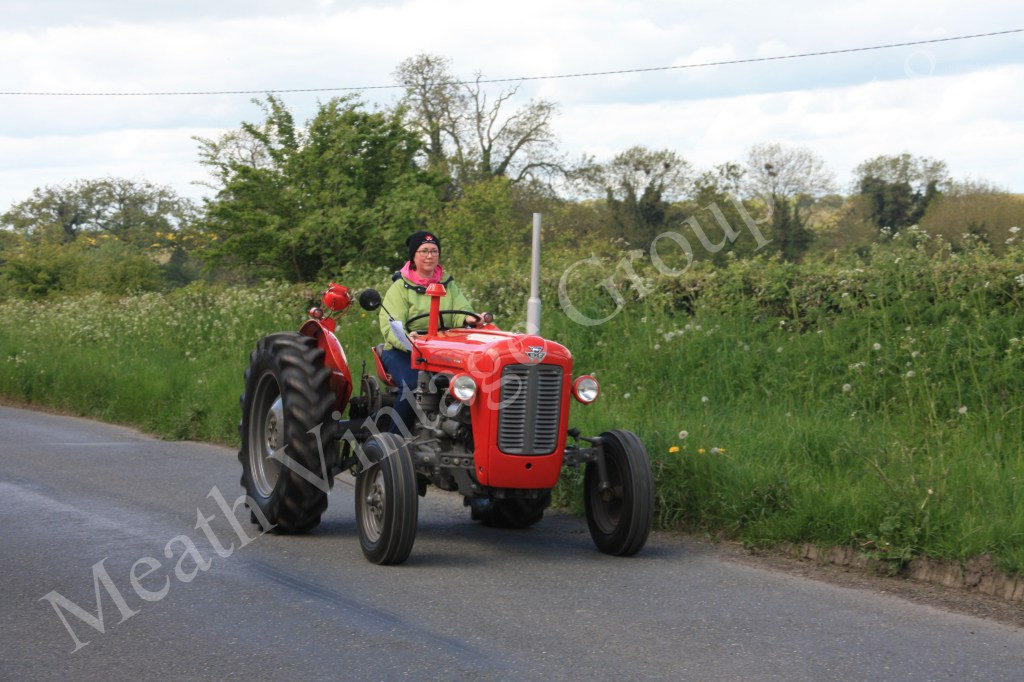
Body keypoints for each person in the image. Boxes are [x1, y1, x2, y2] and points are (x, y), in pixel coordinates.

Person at [378, 230, 478, 434]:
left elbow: (461, 311)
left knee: (473, 382)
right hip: (405, 350)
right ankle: (395, 441)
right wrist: (407, 338)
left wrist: (469, 318)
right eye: (423, 251)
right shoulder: (400, 288)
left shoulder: (448, 285)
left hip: (441, 350)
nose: (430, 256)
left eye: (434, 251)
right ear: (413, 256)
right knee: (414, 384)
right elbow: (391, 325)